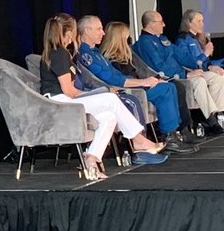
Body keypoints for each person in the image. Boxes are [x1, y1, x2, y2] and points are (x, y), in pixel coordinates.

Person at [38, 14, 167, 179]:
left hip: (65, 99)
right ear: (69, 32)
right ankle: (138, 140)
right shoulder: (60, 53)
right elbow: (69, 91)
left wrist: (97, 93)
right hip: (58, 102)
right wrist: (98, 93)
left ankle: (91, 159)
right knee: (111, 99)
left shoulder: (61, 53)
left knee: (109, 116)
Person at [75, 16, 197, 155]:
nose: (103, 33)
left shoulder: (95, 52)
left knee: (169, 86)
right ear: (87, 31)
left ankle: (174, 133)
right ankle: (169, 137)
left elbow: (117, 75)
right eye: (98, 29)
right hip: (119, 90)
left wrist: (150, 80)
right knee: (165, 90)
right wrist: (143, 82)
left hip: (128, 84)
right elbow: (111, 79)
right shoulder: (85, 54)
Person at [134, 9, 224, 135]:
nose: (164, 24)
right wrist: (186, 74)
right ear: (151, 24)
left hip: (181, 73)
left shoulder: (162, 39)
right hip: (170, 77)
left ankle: (219, 114)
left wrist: (208, 66)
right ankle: (211, 120)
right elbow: (160, 67)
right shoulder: (145, 43)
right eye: (161, 22)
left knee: (216, 76)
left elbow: (183, 57)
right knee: (199, 80)